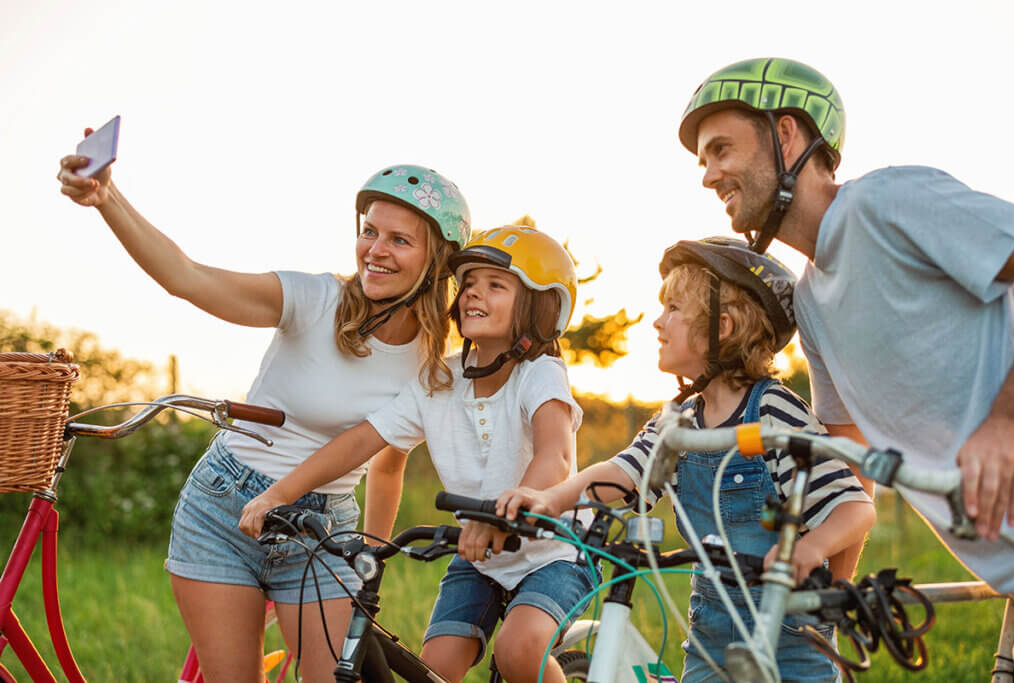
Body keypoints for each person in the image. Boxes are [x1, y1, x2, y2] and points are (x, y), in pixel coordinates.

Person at [57, 143, 471, 682]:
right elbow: (188, 278)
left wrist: (371, 561)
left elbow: (388, 464)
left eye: (399, 240)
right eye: (369, 231)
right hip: (224, 508)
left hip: (323, 528)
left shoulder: (426, 365)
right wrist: (107, 198)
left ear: (437, 259)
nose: (375, 250)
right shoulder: (313, 299)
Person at [676, 56, 1014, 666]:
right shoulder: (810, 301)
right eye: (703, 160)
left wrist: (1009, 420)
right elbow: (846, 451)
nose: (709, 175)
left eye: (721, 149)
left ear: (786, 135)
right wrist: (828, 595)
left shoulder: (885, 203)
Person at [499, 237, 874, 682]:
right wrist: (552, 499)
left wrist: (808, 549)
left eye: (674, 309)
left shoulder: (773, 411)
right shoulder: (679, 420)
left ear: (724, 327)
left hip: (788, 641)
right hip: (709, 639)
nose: (658, 323)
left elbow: (855, 508)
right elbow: (624, 472)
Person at [238, 225, 597, 683]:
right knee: (435, 671)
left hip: (554, 554)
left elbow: (556, 458)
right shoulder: (438, 382)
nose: (472, 294)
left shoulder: (540, 374)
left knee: (518, 650)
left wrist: (500, 514)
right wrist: (278, 494)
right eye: (467, 283)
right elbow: (360, 442)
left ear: (542, 306)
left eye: (494, 285)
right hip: (478, 557)